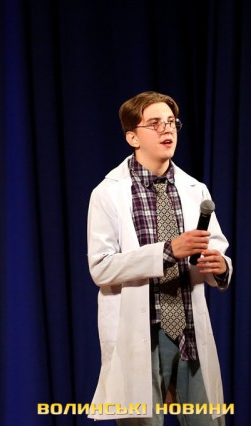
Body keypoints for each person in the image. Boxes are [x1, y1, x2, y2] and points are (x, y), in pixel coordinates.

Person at [86, 91, 232, 425]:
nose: (167, 129)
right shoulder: (108, 193)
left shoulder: (195, 189)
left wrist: (220, 267)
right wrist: (168, 251)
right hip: (141, 334)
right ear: (133, 137)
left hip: (189, 334)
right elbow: (101, 267)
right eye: (155, 123)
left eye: (171, 122)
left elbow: (217, 249)